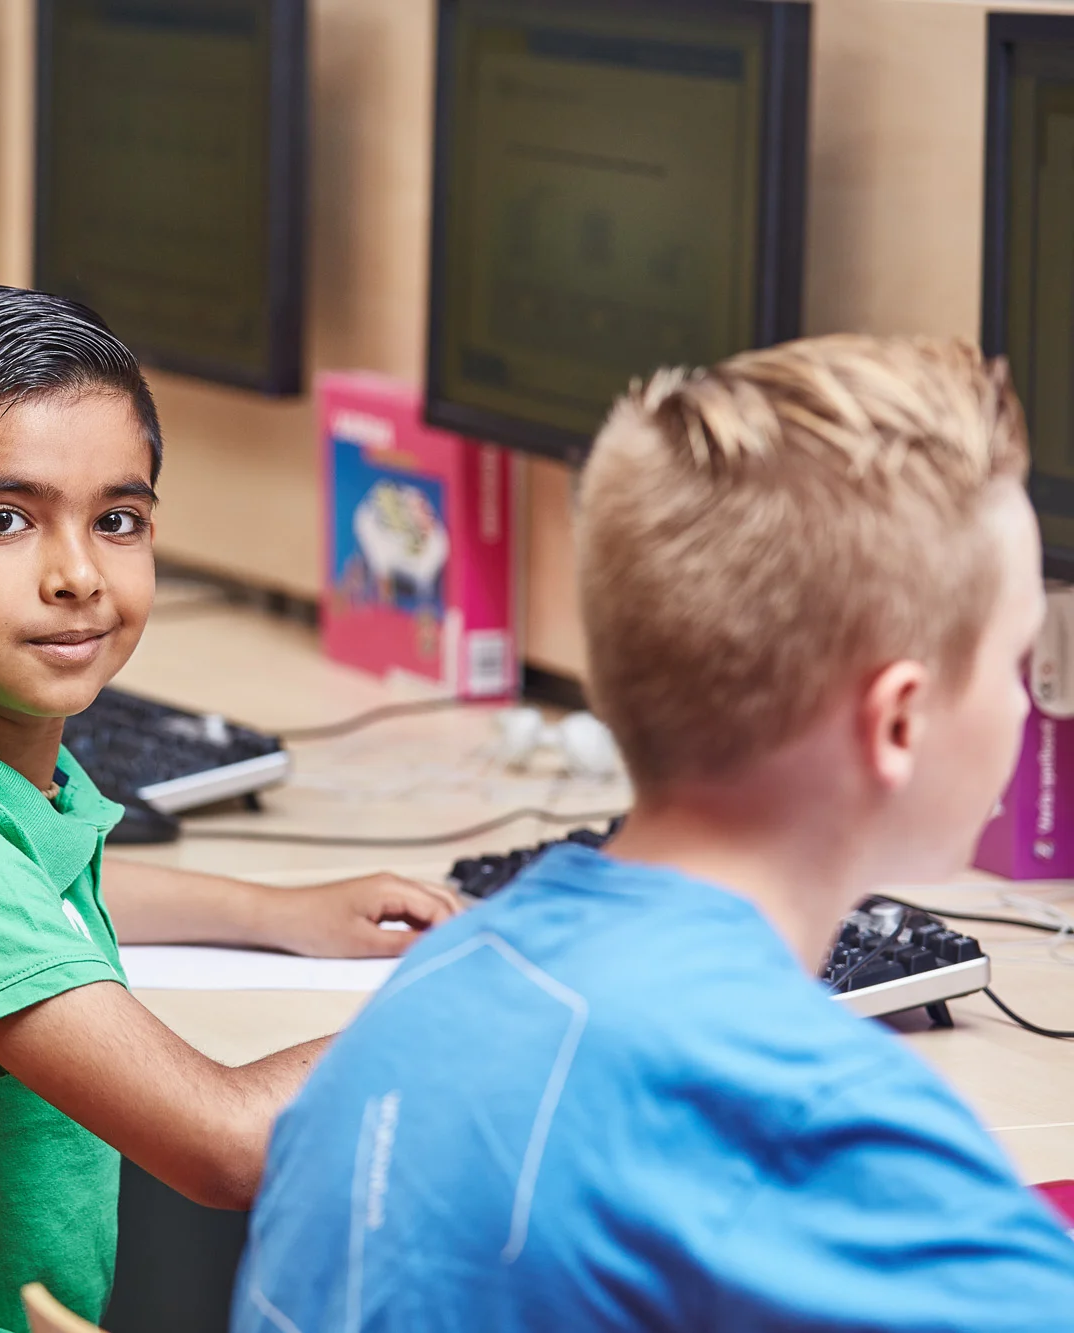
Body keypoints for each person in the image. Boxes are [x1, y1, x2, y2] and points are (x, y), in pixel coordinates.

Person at [233, 336, 1074, 1332]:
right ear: (897, 720)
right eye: (1014, 658)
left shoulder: (447, 968)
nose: (1026, 709)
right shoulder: (810, 1121)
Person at [0, 284, 462, 1333]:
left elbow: (20, 889)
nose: (76, 574)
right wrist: (471, 997)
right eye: (4, 520)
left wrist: (273, 913)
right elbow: (228, 1145)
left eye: (117, 520)